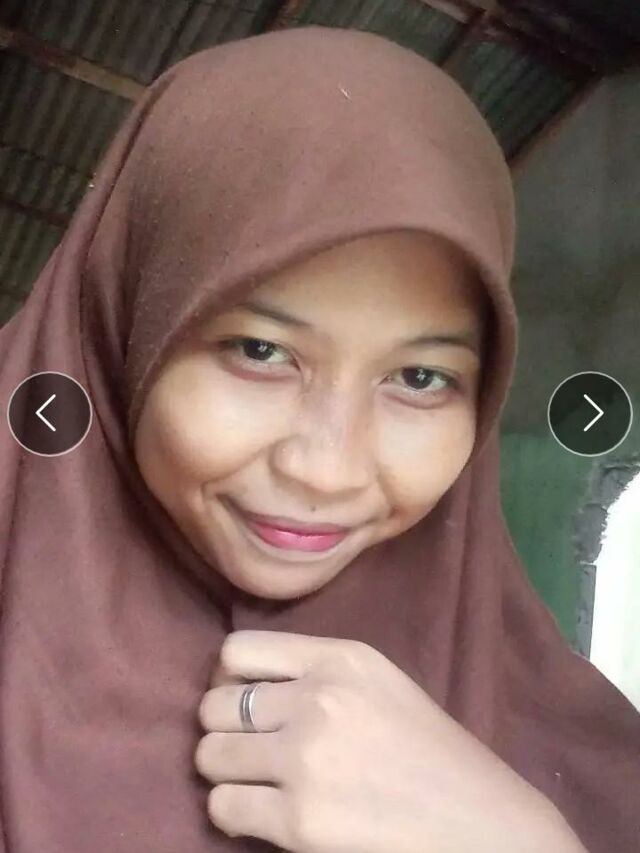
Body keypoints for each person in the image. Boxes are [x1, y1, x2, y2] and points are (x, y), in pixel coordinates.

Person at [0, 24, 638, 853]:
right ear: (124, 328)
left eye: (421, 377)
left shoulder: (573, 746)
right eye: (260, 351)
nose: (327, 469)